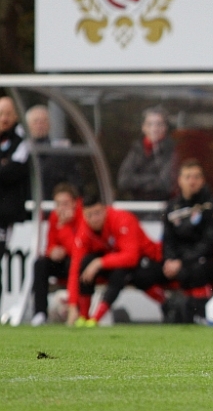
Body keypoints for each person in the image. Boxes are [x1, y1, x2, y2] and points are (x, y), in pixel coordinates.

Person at [65, 192, 165, 326]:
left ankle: (95, 319)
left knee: (122, 272)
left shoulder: (123, 219)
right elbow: (75, 268)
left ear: (105, 210)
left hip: (148, 262)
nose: (94, 219)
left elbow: (131, 257)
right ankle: (83, 316)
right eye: (89, 215)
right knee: (85, 263)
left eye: (97, 213)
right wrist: (72, 306)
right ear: (83, 215)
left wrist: (100, 262)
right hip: (118, 264)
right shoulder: (84, 230)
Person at [160, 159, 213, 322]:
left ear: (202, 181)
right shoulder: (171, 208)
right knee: (148, 272)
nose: (192, 181)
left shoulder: (210, 207)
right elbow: (168, 239)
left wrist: (181, 261)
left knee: (197, 269)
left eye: (196, 177)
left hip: (203, 259)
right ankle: (172, 311)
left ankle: (200, 314)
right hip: (178, 260)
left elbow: (209, 243)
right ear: (180, 180)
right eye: (188, 177)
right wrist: (169, 259)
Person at [30, 182, 83, 326]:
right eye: (58, 204)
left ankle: (77, 310)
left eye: (65, 203)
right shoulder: (55, 216)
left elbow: (79, 248)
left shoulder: (82, 216)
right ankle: (40, 313)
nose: (61, 208)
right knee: (40, 264)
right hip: (63, 261)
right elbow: (50, 243)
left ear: (74, 203)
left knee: (74, 263)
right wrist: (53, 251)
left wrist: (64, 227)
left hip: (79, 263)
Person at [0, 96, 30, 308]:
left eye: (8, 114)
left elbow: (12, 172)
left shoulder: (23, 141)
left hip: (5, 213)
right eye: (0, 114)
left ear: (16, 116)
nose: (4, 118)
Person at [117, 106, 176, 201]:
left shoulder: (171, 150)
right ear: (143, 127)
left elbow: (164, 184)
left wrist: (136, 181)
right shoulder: (136, 149)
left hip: (162, 204)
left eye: (159, 124)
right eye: (149, 124)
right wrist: (152, 178)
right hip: (136, 204)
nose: (154, 128)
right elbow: (123, 181)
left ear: (165, 127)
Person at [24, 104, 83, 199]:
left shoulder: (61, 153)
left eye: (44, 121)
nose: (40, 125)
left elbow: (73, 181)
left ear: (50, 124)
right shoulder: (21, 152)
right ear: (27, 125)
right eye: (36, 121)